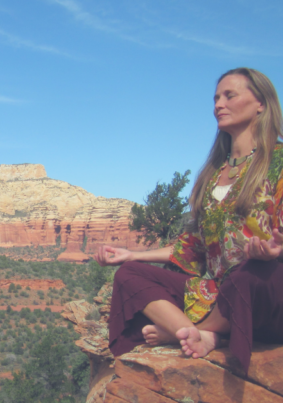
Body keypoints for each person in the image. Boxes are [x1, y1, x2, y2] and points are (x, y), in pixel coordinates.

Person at [94, 67, 283, 374]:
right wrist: (133, 255)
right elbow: (190, 249)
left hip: (266, 292)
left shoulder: (279, 163)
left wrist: (275, 252)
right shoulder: (210, 177)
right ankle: (196, 334)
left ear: (260, 103)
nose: (218, 104)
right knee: (129, 275)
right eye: (216, 98)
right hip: (218, 292)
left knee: (250, 273)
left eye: (229, 96)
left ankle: (193, 332)